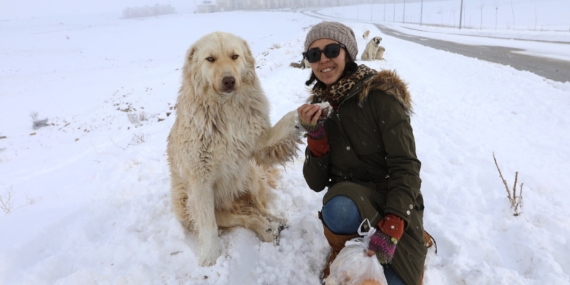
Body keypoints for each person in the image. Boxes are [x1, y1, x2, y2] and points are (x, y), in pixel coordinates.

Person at [296, 21, 427, 285]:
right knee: (340, 207)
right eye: (314, 55)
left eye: (331, 50)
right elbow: (315, 183)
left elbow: (406, 166)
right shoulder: (319, 107)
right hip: (349, 202)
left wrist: (393, 224)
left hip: (394, 201)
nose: (323, 60)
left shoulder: (380, 95)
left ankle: (410, 235)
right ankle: (344, 246)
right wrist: (316, 136)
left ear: (347, 52)